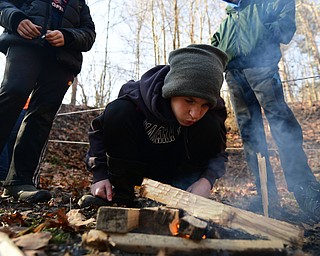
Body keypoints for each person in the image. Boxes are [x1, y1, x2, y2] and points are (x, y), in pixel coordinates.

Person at [78, 44, 228, 208]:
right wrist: (99, 175)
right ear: (172, 91)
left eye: (205, 105)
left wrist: (207, 180)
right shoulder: (137, 97)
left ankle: (186, 199)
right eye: (189, 101)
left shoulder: (213, 113)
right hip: (138, 167)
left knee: (210, 125)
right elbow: (99, 131)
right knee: (118, 111)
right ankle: (121, 195)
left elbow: (218, 153)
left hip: (178, 176)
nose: (195, 113)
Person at [211, 0, 320, 220]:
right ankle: (265, 195)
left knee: (281, 122)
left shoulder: (264, 4)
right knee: (249, 132)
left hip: (262, 67)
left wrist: (265, 37)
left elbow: (286, 19)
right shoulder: (228, 18)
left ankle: (305, 189)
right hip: (233, 75)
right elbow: (215, 45)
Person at [0, 0, 96, 203]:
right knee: (13, 92)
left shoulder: (79, 4)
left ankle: (19, 181)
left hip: (62, 59)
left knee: (43, 114)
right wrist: (16, 19)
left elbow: (88, 33)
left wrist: (68, 36)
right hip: (25, 45)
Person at [0, 98, 30, 180]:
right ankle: (8, 177)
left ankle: (3, 175)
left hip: (13, 106)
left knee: (6, 139)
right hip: (24, 109)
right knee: (12, 143)